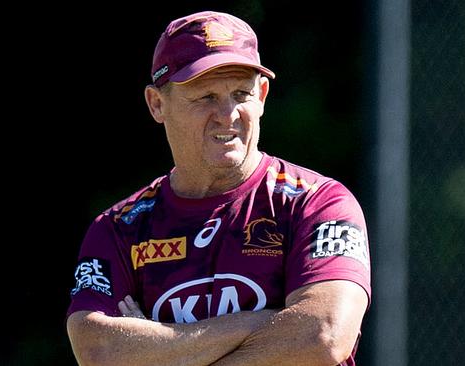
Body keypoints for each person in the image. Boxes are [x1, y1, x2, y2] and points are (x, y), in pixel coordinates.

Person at [66, 10, 371, 366]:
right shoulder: (120, 228)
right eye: (205, 96)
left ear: (262, 96)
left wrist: (159, 347)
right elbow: (97, 348)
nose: (227, 114)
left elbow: (323, 334)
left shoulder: (317, 203)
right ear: (157, 104)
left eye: (240, 94)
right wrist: (260, 323)